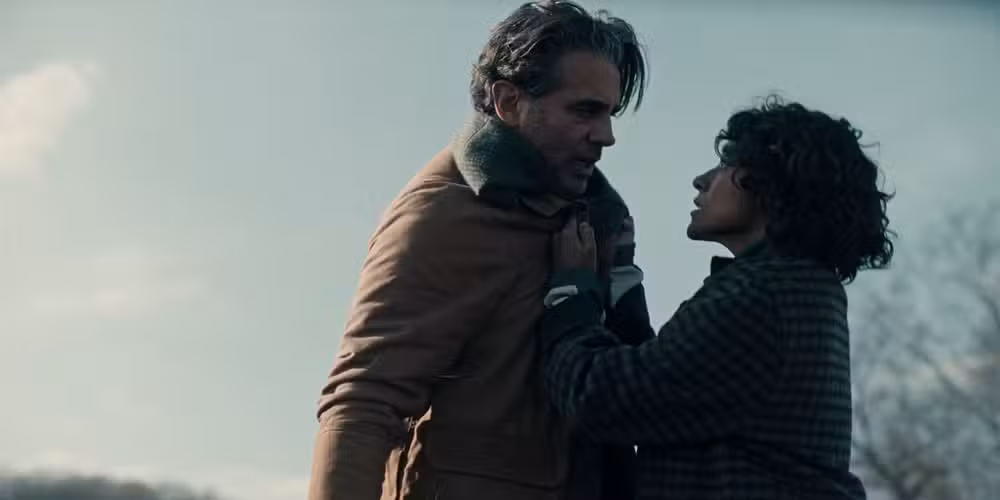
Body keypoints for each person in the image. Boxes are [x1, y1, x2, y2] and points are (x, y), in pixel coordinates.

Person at [307, 2, 650, 499]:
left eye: (610, 114)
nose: (606, 136)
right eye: (584, 111)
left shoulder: (597, 219)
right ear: (509, 101)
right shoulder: (444, 212)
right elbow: (363, 402)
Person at [539, 95, 895, 499]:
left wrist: (570, 289)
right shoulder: (794, 289)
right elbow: (669, 391)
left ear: (773, 183)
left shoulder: (764, 296)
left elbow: (598, 398)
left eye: (728, 163)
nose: (702, 179)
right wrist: (622, 280)